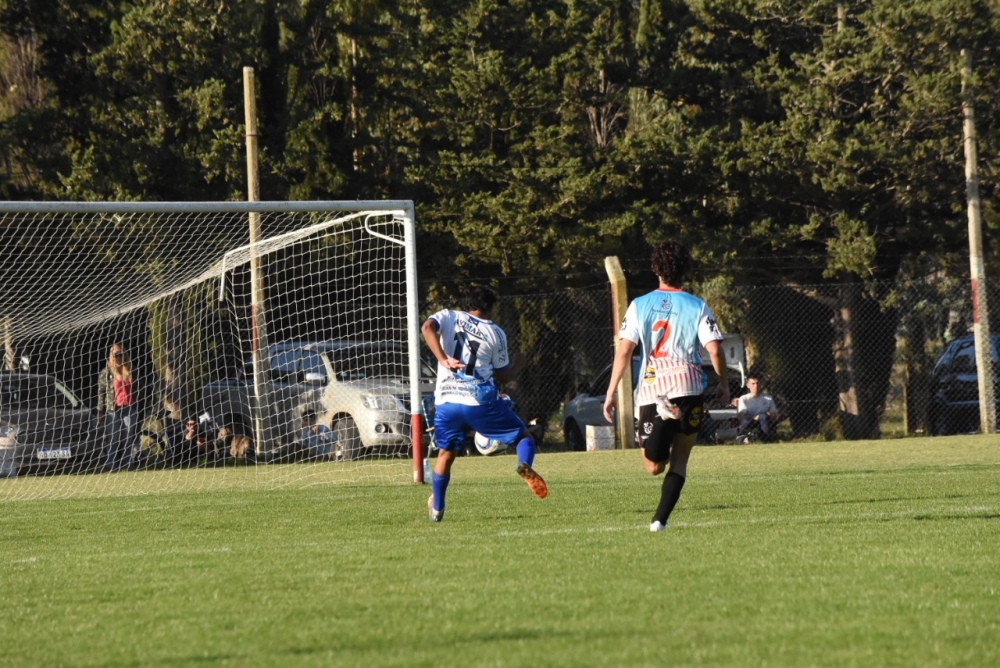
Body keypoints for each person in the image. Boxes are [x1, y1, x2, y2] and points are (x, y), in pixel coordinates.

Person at [602, 239, 729, 532]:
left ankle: (662, 419)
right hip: (689, 386)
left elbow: (624, 351)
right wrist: (723, 385)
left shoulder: (638, 305)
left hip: (652, 389)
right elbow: (714, 350)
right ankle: (659, 520)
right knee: (679, 462)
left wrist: (610, 393)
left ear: (655, 269)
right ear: (685, 269)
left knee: (652, 467)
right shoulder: (697, 305)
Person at [421, 285, 547, 522]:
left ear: (466, 303)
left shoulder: (449, 316)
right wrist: (520, 363)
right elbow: (503, 376)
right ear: (490, 308)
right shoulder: (495, 332)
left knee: (446, 454)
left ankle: (437, 510)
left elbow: (426, 327)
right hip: (479, 400)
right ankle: (523, 466)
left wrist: (443, 359)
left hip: (447, 401)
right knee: (523, 438)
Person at [97, 343, 139, 472]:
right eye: (116, 355)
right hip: (113, 409)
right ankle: (111, 465)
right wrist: (100, 410)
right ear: (112, 356)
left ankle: (127, 464)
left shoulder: (131, 369)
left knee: (128, 437)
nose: (119, 357)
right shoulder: (107, 372)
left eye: (121, 354)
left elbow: (140, 387)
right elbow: (101, 391)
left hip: (129, 407)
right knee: (114, 438)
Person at [736, 372, 781, 443]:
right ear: (748, 385)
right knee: (749, 417)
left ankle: (766, 439)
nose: (756, 386)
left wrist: (772, 415)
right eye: (753, 384)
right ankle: (744, 436)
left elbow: (774, 415)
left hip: (764, 423)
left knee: (763, 416)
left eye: (758, 383)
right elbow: (742, 414)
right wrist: (757, 416)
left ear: (761, 384)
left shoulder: (768, 398)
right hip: (750, 423)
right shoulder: (744, 398)